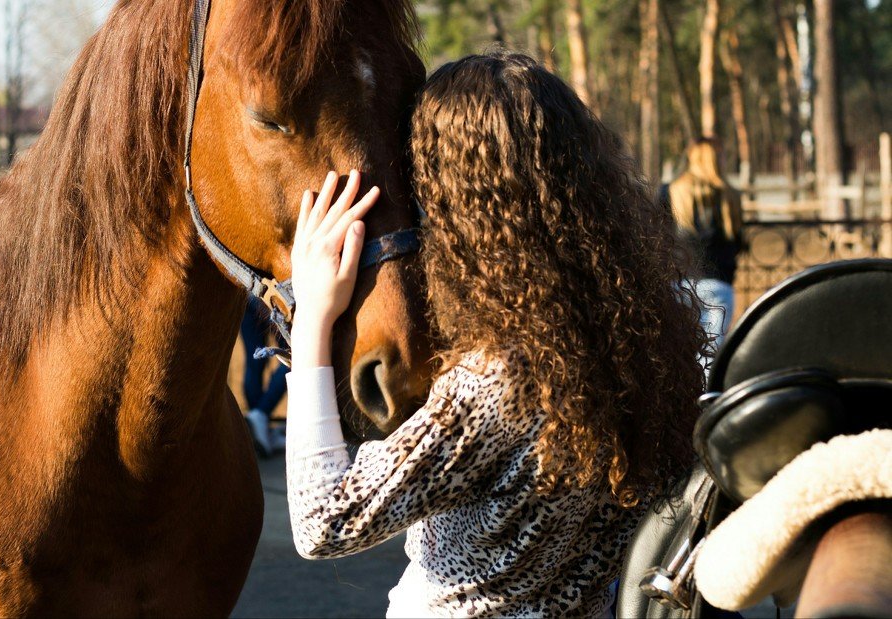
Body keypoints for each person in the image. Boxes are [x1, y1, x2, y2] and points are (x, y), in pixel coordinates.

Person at [284, 51, 704, 617]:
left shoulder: (498, 383)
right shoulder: (648, 342)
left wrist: (310, 315)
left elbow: (324, 522)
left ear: (456, 202)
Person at [664, 138, 744, 366]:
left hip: (680, 284)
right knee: (710, 357)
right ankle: (707, 401)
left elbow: (658, 236)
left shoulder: (671, 192)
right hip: (718, 284)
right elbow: (737, 242)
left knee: (677, 353)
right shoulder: (729, 195)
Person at [241, 299, 289, 456]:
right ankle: (260, 415)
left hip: (248, 291)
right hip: (274, 296)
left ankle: (261, 432)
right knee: (293, 356)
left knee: (254, 362)